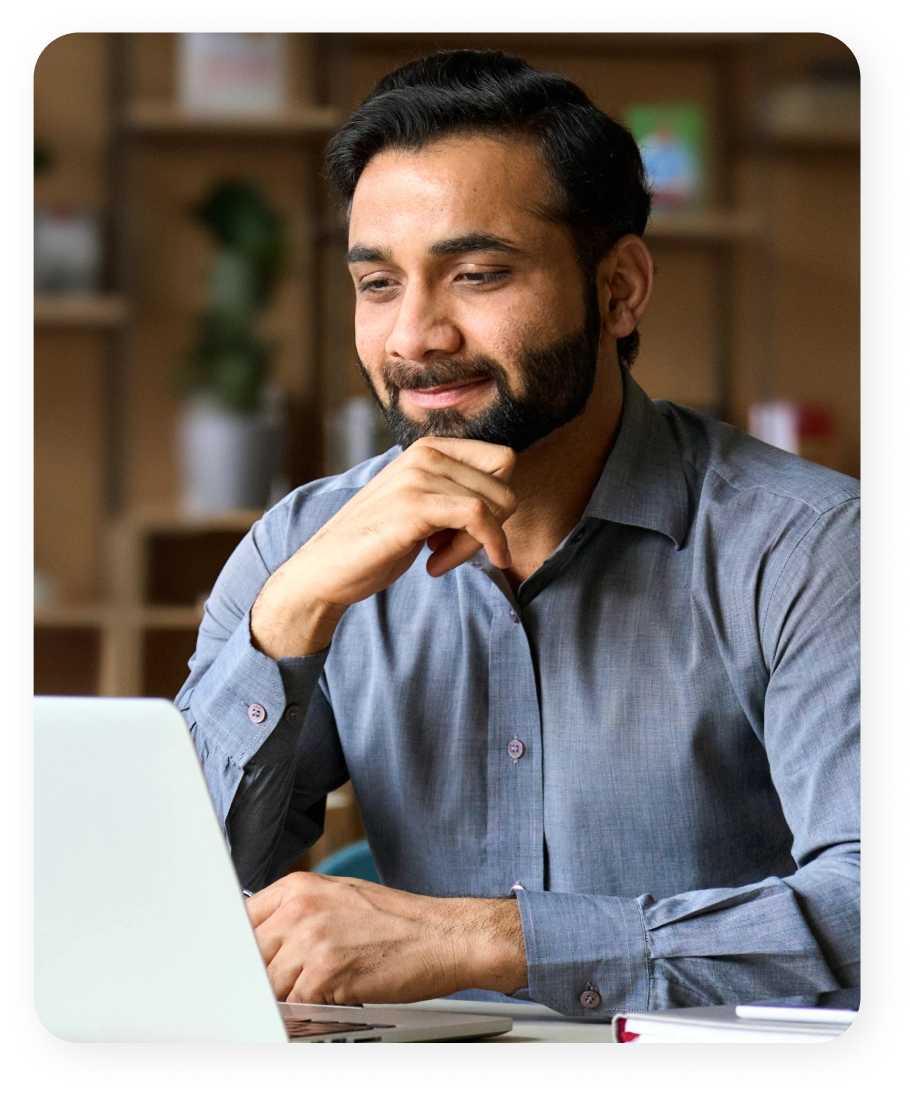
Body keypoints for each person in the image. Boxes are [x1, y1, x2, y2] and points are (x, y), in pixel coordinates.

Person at [177, 50, 859, 1017]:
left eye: (478, 273)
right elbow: (164, 906)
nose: (415, 336)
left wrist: (490, 939)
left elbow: (876, 910)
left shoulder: (813, 551)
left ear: (619, 288)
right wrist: (287, 621)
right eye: (378, 285)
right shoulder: (304, 545)